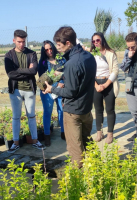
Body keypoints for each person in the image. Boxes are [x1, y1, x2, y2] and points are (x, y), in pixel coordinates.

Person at [43, 26, 96, 168]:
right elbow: (81, 82)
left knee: (75, 150)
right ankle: (95, 172)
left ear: (68, 43)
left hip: (74, 112)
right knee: (87, 143)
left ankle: (77, 182)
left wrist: (52, 89)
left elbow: (70, 92)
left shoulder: (72, 63)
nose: (57, 49)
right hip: (86, 110)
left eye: (59, 45)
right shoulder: (89, 57)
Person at [5, 29, 45, 152]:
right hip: (15, 90)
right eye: (19, 41)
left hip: (29, 89)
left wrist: (18, 70)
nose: (21, 44)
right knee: (16, 117)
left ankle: (35, 140)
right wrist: (26, 71)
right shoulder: (9, 55)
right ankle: (16, 142)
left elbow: (33, 71)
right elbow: (10, 74)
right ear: (14, 40)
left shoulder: (31, 54)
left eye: (23, 41)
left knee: (31, 116)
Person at [90, 32, 119, 144]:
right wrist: (96, 85)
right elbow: (89, 72)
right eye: (93, 41)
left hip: (108, 83)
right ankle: (99, 132)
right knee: (98, 110)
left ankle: (110, 133)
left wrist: (106, 84)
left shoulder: (111, 53)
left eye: (97, 40)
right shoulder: (91, 54)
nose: (95, 43)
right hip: (96, 83)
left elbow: (115, 70)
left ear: (102, 40)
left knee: (110, 110)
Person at [38, 40, 66, 146]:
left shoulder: (61, 59)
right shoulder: (43, 62)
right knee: (47, 112)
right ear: (43, 51)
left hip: (60, 88)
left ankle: (63, 132)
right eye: (46, 50)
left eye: (50, 48)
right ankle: (47, 136)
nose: (49, 51)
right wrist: (45, 89)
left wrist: (61, 83)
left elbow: (66, 72)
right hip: (47, 90)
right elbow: (41, 78)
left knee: (61, 110)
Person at [120, 32, 137, 150]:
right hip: (131, 85)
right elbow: (123, 68)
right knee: (134, 112)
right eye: (128, 47)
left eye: (133, 47)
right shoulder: (127, 52)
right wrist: (129, 57)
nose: (130, 49)